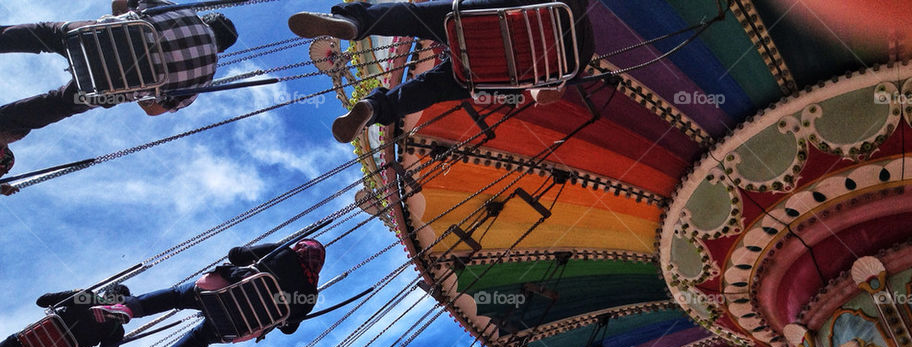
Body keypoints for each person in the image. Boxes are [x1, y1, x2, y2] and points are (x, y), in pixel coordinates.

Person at [287, 1, 595, 142]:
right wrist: (541, 91)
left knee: (415, 18)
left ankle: (358, 25)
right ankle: (374, 107)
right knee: (439, 86)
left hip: (484, 27)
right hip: (518, 66)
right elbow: (542, 92)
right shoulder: (580, 53)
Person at [0, 1, 238, 177]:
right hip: (108, 86)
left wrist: (124, 15)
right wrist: (140, 88)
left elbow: (122, 2)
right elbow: (155, 110)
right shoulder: (206, 78)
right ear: (222, 50)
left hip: (96, 40)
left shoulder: (183, 11)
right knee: (58, 104)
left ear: (207, 19)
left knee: (46, 33)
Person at [91, 240, 325, 347]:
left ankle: (128, 309)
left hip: (219, 293)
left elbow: (236, 255)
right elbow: (289, 328)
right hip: (239, 326)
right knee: (200, 338)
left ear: (300, 248)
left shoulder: (282, 252)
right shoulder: (311, 295)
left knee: (177, 296)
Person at [0, 287, 128, 347]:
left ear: (105, 294)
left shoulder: (87, 297)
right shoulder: (116, 331)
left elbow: (42, 301)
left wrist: (75, 294)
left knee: (17, 340)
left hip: (38, 336)